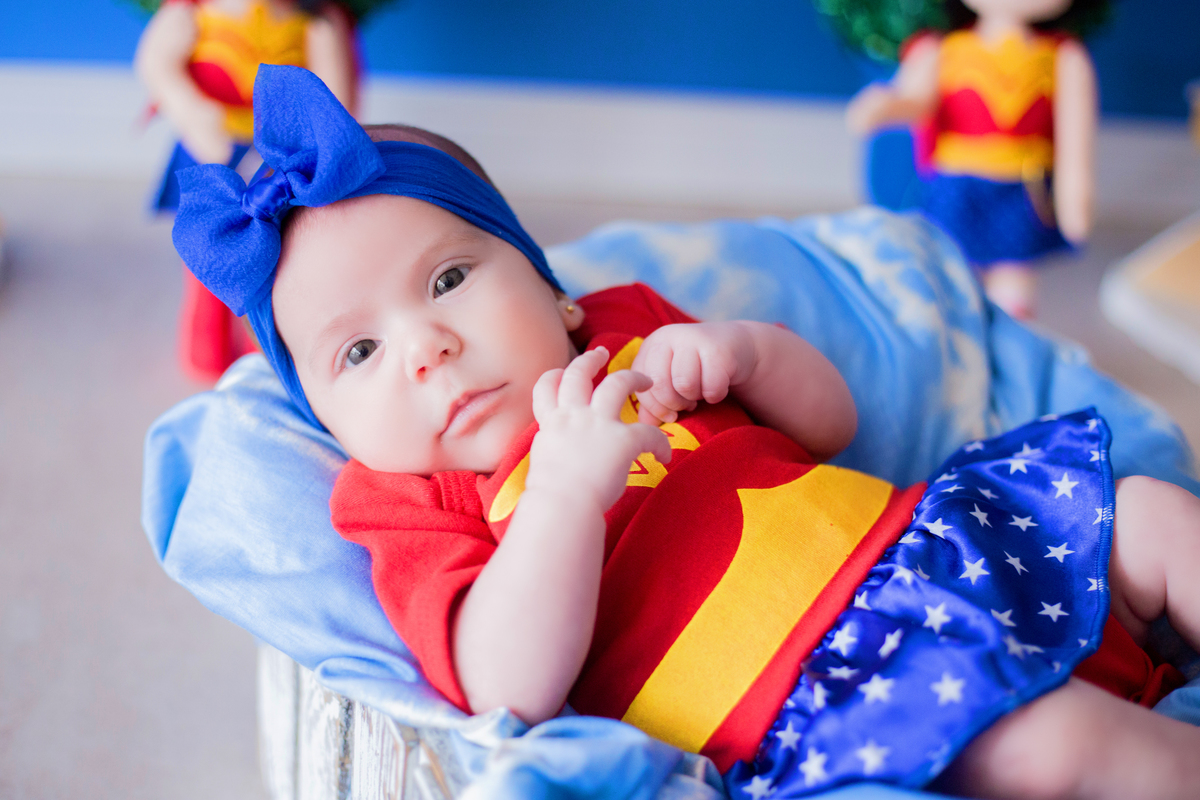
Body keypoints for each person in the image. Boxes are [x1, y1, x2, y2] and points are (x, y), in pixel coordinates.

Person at [172, 66, 1200, 799]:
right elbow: (504, 683)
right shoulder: (406, 500)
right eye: (357, 354)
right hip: (839, 692)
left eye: (447, 280)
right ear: (334, 425)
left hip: (933, 547)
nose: (426, 348)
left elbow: (834, 424)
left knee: (1147, 515)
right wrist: (564, 495)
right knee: (1046, 745)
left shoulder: (626, 327)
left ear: (550, 289)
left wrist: (748, 351)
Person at [135, 0, 360, 382]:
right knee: (206, 256)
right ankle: (207, 350)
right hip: (211, 154)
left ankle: (267, 354)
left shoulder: (316, 22)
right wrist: (191, 111)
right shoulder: (189, 14)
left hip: (279, 159)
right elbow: (156, 65)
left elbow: (334, 101)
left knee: (277, 258)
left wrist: (311, 148)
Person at [841, 0, 1104, 320]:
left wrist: (1074, 197)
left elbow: (1074, 138)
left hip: (1022, 189)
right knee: (948, 278)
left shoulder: (1063, 57)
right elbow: (916, 100)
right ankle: (956, 349)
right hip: (957, 188)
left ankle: (1007, 355)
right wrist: (886, 105)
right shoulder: (943, 48)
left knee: (1014, 287)